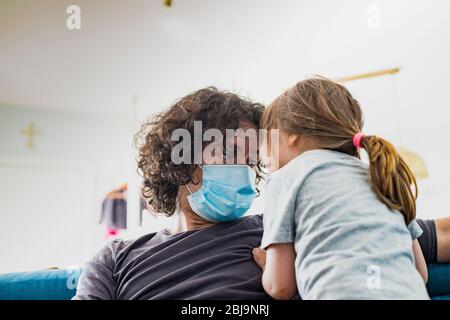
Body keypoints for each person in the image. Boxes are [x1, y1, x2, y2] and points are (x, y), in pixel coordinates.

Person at [254, 77, 429, 300]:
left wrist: (268, 266)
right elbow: (420, 274)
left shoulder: (285, 178)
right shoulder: (380, 174)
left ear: (292, 137)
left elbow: (280, 287)